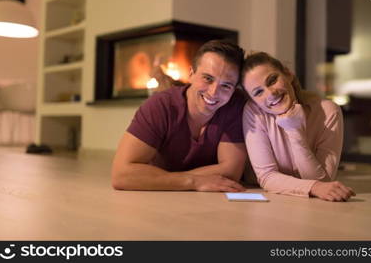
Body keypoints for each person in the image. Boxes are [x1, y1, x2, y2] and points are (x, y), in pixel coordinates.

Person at [112, 40, 248, 192]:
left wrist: (160, 179)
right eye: (208, 78)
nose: (214, 92)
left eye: (226, 85)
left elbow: (231, 171)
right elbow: (121, 175)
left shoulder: (235, 105)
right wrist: (193, 182)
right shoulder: (159, 106)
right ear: (191, 74)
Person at [241, 52, 356, 201]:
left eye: (272, 80)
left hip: (304, 202)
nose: (271, 93)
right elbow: (267, 177)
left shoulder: (328, 112)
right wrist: (313, 187)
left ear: (288, 74)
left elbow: (324, 183)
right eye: (258, 92)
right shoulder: (254, 112)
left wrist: (294, 130)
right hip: (268, 198)